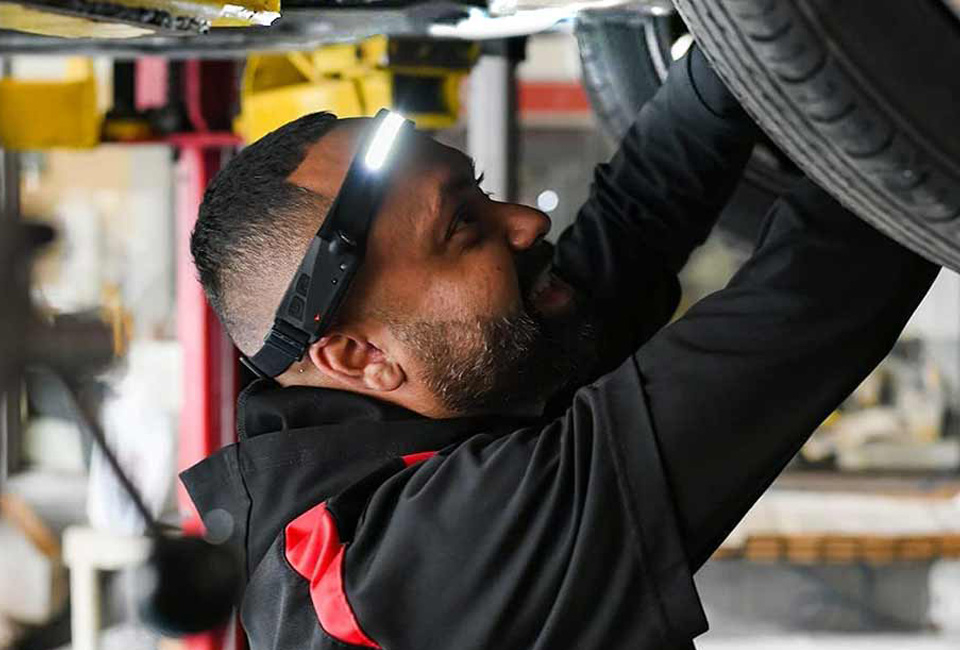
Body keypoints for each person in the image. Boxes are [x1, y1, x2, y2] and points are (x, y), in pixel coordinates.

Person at [183, 45, 938, 650]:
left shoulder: (420, 402)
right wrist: (904, 75)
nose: (525, 223)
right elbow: (812, 306)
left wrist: (741, 44)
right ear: (357, 355)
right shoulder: (418, 574)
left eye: (478, 190)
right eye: (464, 228)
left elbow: (632, 229)